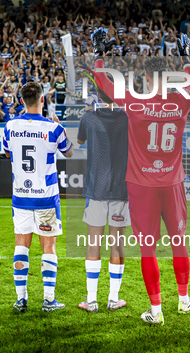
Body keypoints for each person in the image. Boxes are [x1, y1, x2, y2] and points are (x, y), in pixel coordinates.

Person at [91, 28, 190, 325]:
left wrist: (101, 54)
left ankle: (156, 311)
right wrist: (185, 55)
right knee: (179, 242)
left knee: (147, 248)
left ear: (148, 80)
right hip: (172, 182)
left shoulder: (134, 102)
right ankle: (184, 299)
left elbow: (102, 80)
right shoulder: (181, 101)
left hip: (141, 185)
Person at [3, 81, 74, 313]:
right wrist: (60, 126)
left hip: (21, 196)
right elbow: (70, 152)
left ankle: (21, 299)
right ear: (43, 100)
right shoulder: (53, 128)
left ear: (22, 101)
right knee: (49, 247)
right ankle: (48, 299)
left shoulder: (10, 126)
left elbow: (7, 152)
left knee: (21, 246)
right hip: (46, 197)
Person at [76, 89, 129, 313]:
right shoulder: (127, 117)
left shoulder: (88, 117)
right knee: (116, 244)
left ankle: (92, 300)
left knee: (93, 243)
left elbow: (80, 140)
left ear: (99, 97)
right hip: (120, 188)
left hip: (96, 188)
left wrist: (89, 110)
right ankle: (113, 299)